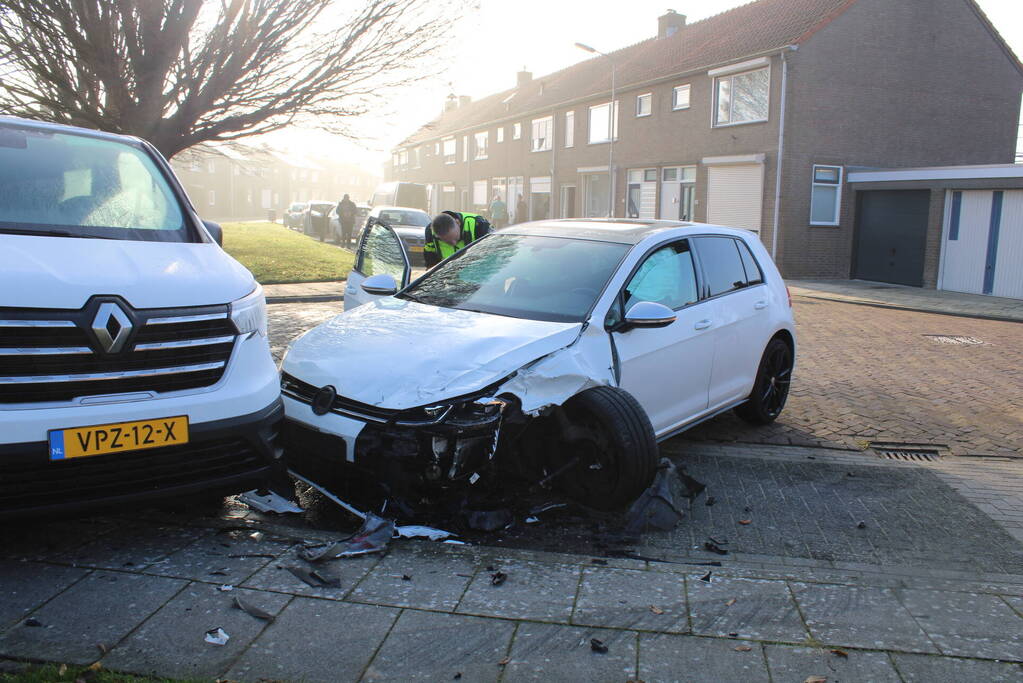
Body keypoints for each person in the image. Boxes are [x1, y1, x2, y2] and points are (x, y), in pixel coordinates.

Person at [423, 210, 490, 268]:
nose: (454, 243)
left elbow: (491, 256)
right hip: (447, 276)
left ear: (458, 223)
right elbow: (430, 263)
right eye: (448, 242)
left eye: (456, 239)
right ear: (437, 236)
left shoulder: (479, 225)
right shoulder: (430, 232)